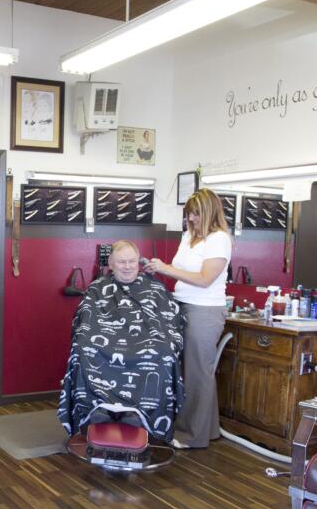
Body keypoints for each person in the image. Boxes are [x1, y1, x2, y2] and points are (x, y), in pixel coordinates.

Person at [59, 240, 184, 440]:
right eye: (121, 262)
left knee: (165, 352)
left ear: (139, 262)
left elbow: (170, 324)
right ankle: (98, 409)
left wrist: (165, 341)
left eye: (131, 261)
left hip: (146, 343)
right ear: (110, 263)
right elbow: (84, 322)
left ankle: (140, 414)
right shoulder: (97, 288)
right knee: (82, 348)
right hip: (105, 344)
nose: (127, 266)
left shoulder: (154, 288)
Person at [145, 188, 232, 450]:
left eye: (195, 214)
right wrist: (160, 268)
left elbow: (205, 279)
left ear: (208, 212)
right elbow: (182, 272)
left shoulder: (219, 239)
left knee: (198, 372)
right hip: (181, 306)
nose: (191, 219)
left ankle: (193, 435)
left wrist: (166, 269)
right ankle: (209, 429)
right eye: (188, 214)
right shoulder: (189, 237)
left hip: (204, 310)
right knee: (186, 372)